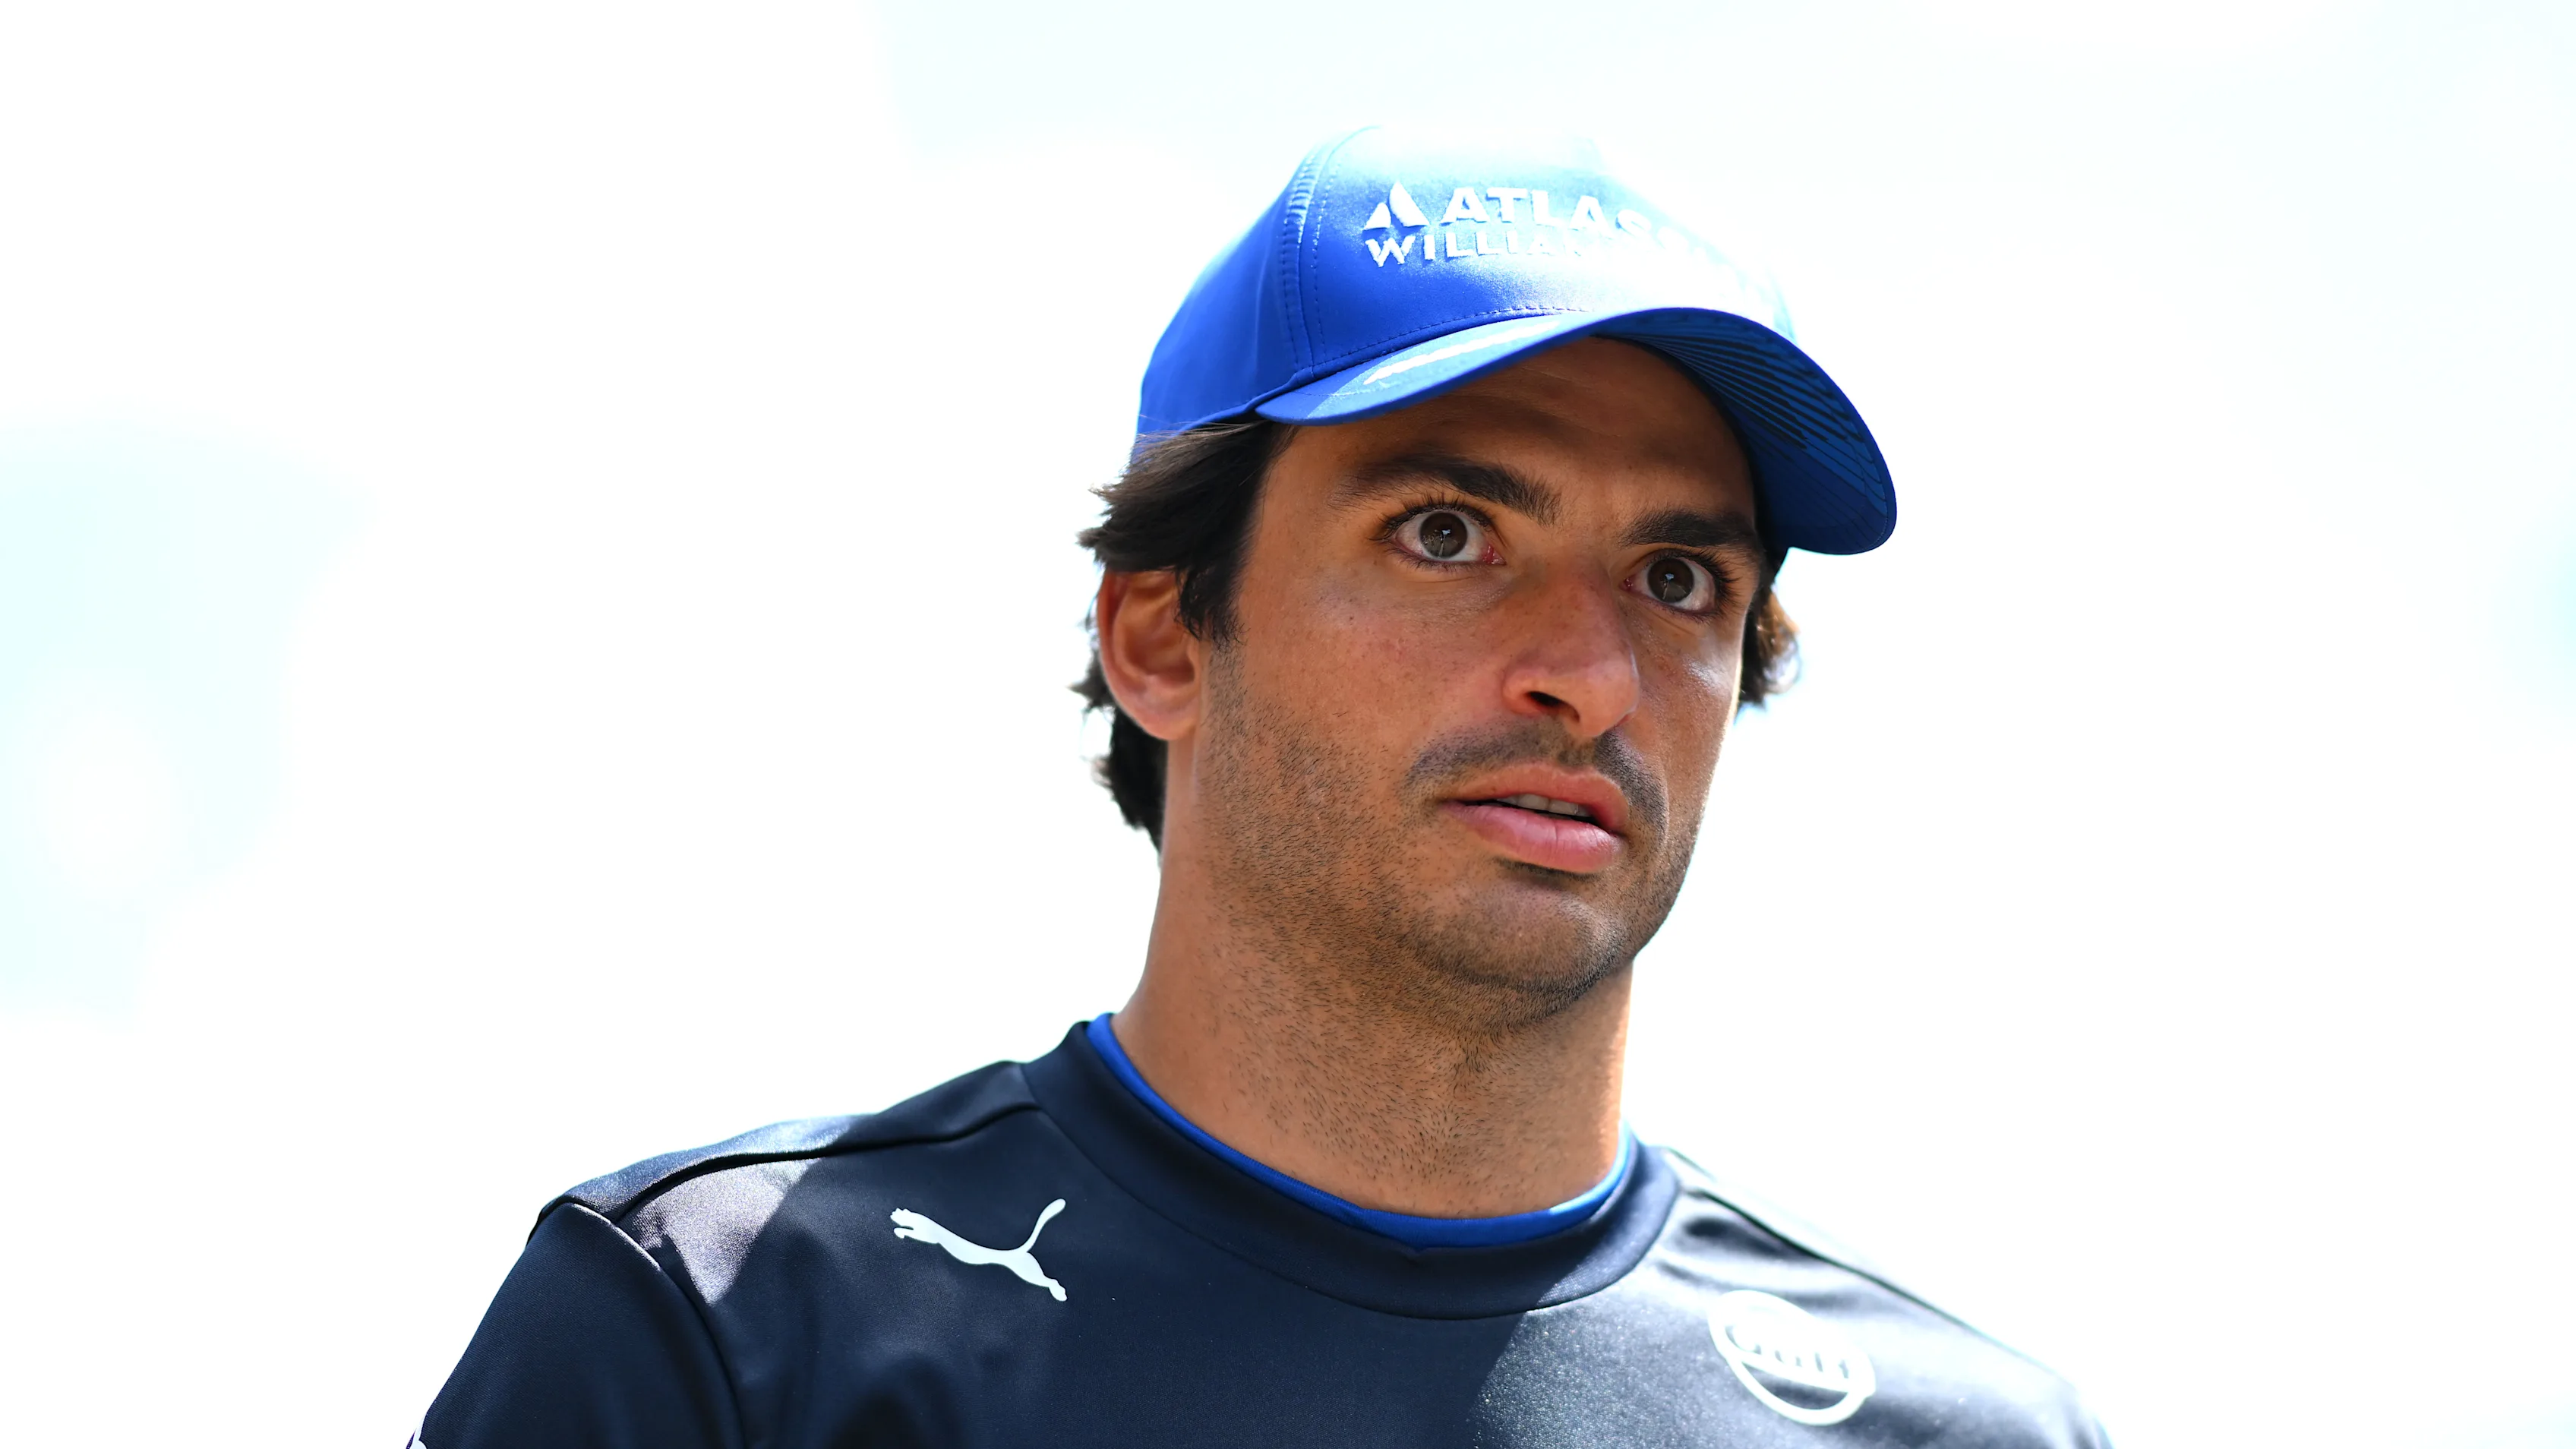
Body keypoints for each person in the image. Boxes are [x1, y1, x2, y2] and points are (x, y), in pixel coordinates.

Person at [416, 127, 2109, 1447]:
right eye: (1446, 535)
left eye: (1677, 578)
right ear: (1162, 636)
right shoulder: (727, 1326)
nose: (1587, 673)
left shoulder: (1966, 1429)